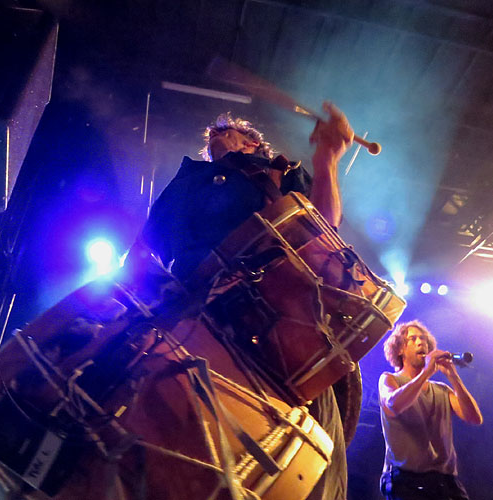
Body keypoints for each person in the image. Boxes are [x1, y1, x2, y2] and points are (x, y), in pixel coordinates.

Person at [139, 102, 357, 500]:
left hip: (281, 326)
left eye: (227, 131)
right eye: (213, 134)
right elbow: (145, 249)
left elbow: (324, 228)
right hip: (195, 319)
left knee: (321, 466)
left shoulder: (282, 173)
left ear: (253, 143)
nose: (215, 135)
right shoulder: (190, 179)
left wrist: (327, 158)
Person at [377, 320, 483, 500]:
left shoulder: (442, 390)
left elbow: (474, 418)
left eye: (424, 339)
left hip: (446, 482)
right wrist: (426, 372)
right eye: (413, 339)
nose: (421, 343)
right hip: (406, 480)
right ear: (399, 349)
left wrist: (453, 376)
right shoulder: (389, 379)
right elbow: (393, 405)